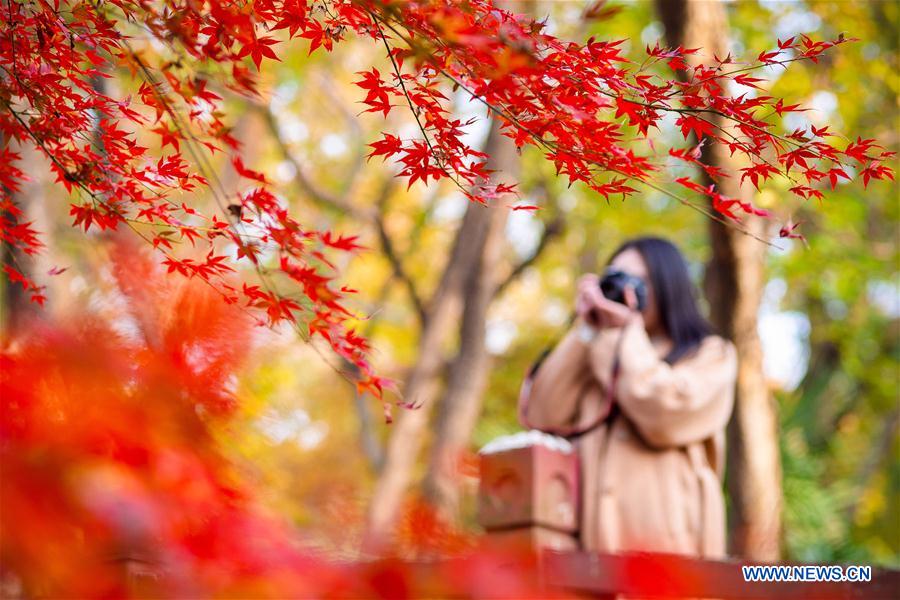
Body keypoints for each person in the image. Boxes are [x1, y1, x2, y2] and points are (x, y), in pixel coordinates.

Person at [518, 237, 738, 558]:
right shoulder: (595, 351)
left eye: (639, 281)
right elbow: (541, 415)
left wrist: (626, 334)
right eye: (614, 278)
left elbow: (663, 412)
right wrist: (587, 329)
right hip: (590, 562)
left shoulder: (711, 354)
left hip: (673, 561)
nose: (624, 290)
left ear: (668, 286)